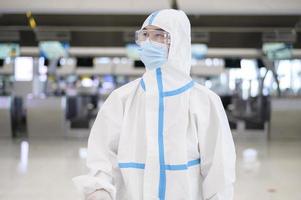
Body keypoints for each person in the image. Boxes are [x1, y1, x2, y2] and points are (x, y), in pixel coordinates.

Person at [73, 9, 236, 200]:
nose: (149, 42)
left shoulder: (204, 101)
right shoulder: (122, 98)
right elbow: (102, 154)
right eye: (145, 35)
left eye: (159, 35)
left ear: (179, 42)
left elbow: (219, 170)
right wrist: (99, 188)